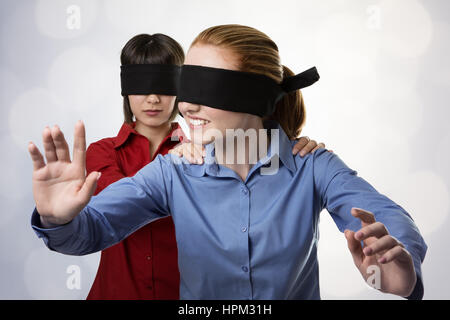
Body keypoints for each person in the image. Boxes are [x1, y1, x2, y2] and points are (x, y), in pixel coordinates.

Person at [28, 24, 427, 300]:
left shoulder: (313, 167)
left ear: (255, 96)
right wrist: (58, 219)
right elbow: (93, 230)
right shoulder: (173, 171)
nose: (186, 106)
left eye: (208, 86)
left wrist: (400, 271)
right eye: (187, 84)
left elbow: (386, 217)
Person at [82, 33, 327, 300]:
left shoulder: (206, 155)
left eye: (165, 85)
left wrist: (286, 149)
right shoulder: (106, 152)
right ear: (125, 88)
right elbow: (115, 208)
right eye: (141, 84)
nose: (153, 98)